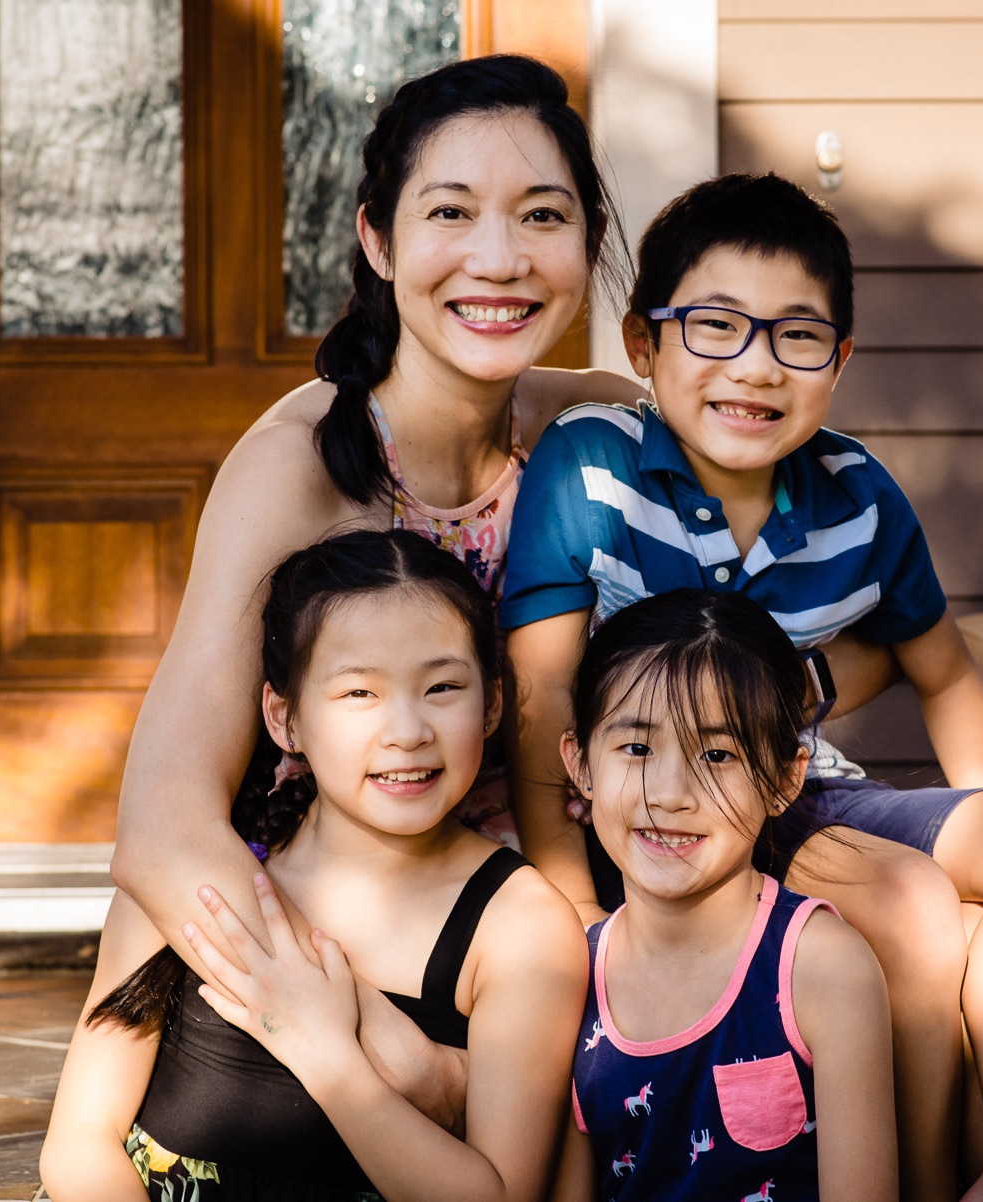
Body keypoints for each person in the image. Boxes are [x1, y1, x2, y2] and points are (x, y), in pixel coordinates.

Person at [502, 172, 983, 1202]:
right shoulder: (592, 470)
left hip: (797, 784)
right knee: (924, 910)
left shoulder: (858, 496)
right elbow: (541, 702)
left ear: (839, 360)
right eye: (716, 327)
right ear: (644, 347)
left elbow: (948, 671)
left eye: (796, 336)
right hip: (674, 804)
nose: (755, 365)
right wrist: (566, 888)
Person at [107, 51, 641, 1111]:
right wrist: (369, 1034)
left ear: (586, 241)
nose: (500, 259)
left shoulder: (601, 428)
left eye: (543, 216)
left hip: (551, 893)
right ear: (378, 239)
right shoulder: (302, 463)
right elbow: (166, 816)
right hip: (364, 902)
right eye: (451, 212)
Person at [41, 529, 588, 1201]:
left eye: (443, 686)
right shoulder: (196, 874)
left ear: (492, 704)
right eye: (359, 694)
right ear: (285, 717)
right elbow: (80, 1147)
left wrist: (326, 1055)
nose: (407, 730)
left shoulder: (521, 928)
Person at [550, 589, 896, 1202]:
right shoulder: (570, 975)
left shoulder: (819, 969)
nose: (671, 793)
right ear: (581, 764)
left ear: (785, 779)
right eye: (636, 748)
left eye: (717, 753)